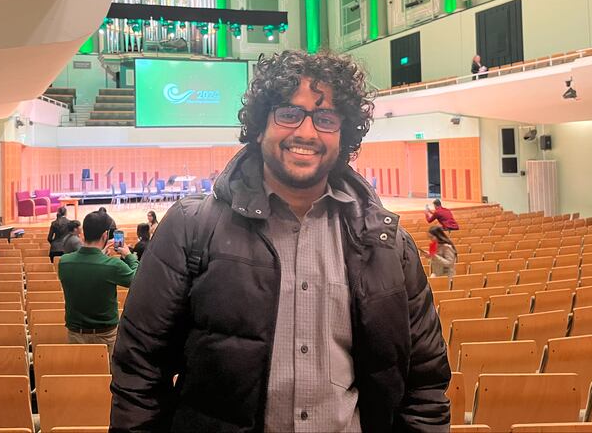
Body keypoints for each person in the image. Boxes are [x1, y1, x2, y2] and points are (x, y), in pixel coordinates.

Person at [111, 50, 450, 432]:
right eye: (289, 113)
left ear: (344, 134)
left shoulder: (389, 244)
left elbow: (425, 384)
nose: (306, 132)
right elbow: (139, 372)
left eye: (324, 118)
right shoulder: (191, 227)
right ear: (260, 127)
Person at [58, 210, 138, 356]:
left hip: (75, 335)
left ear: (83, 233)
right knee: (107, 376)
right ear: (105, 235)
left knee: (80, 377)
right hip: (106, 336)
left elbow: (88, 267)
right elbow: (137, 280)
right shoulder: (113, 265)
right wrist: (128, 255)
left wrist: (100, 256)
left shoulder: (64, 262)